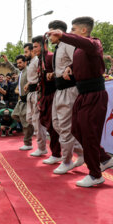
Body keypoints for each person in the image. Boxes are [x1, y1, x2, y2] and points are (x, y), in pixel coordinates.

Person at [49, 16, 113, 187]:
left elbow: (88, 46)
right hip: (82, 95)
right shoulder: (78, 50)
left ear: (84, 30)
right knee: (76, 129)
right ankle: (104, 158)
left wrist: (62, 35)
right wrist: (71, 68)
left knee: (89, 134)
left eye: (74, 30)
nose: (71, 32)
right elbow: (79, 62)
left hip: (94, 95)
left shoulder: (94, 43)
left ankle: (95, 174)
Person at [48, 20, 84, 175]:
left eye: (51, 33)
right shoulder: (59, 47)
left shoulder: (68, 44)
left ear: (59, 32)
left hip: (69, 89)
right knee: (57, 124)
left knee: (64, 127)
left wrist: (70, 69)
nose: (49, 36)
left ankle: (67, 160)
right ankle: (82, 152)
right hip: (59, 90)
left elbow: (78, 62)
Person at [31, 35, 62, 161]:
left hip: (52, 95)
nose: (34, 50)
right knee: (48, 125)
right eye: (33, 47)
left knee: (54, 127)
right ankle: (56, 153)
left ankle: (57, 154)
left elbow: (59, 74)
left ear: (44, 45)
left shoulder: (50, 57)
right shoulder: (40, 59)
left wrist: (53, 76)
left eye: (35, 47)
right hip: (44, 95)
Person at [25, 38, 48, 157]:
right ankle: (41, 142)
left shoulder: (38, 61)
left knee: (37, 121)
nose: (25, 54)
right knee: (30, 119)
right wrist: (28, 84)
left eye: (26, 52)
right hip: (30, 93)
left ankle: (42, 147)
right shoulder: (31, 62)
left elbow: (40, 76)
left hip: (36, 94)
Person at [12, 55, 34, 150]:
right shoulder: (20, 72)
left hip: (27, 100)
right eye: (17, 63)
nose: (18, 64)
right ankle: (31, 124)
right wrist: (6, 61)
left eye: (20, 62)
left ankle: (28, 144)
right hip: (20, 100)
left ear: (25, 62)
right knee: (14, 115)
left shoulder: (29, 71)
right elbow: (12, 68)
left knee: (26, 123)